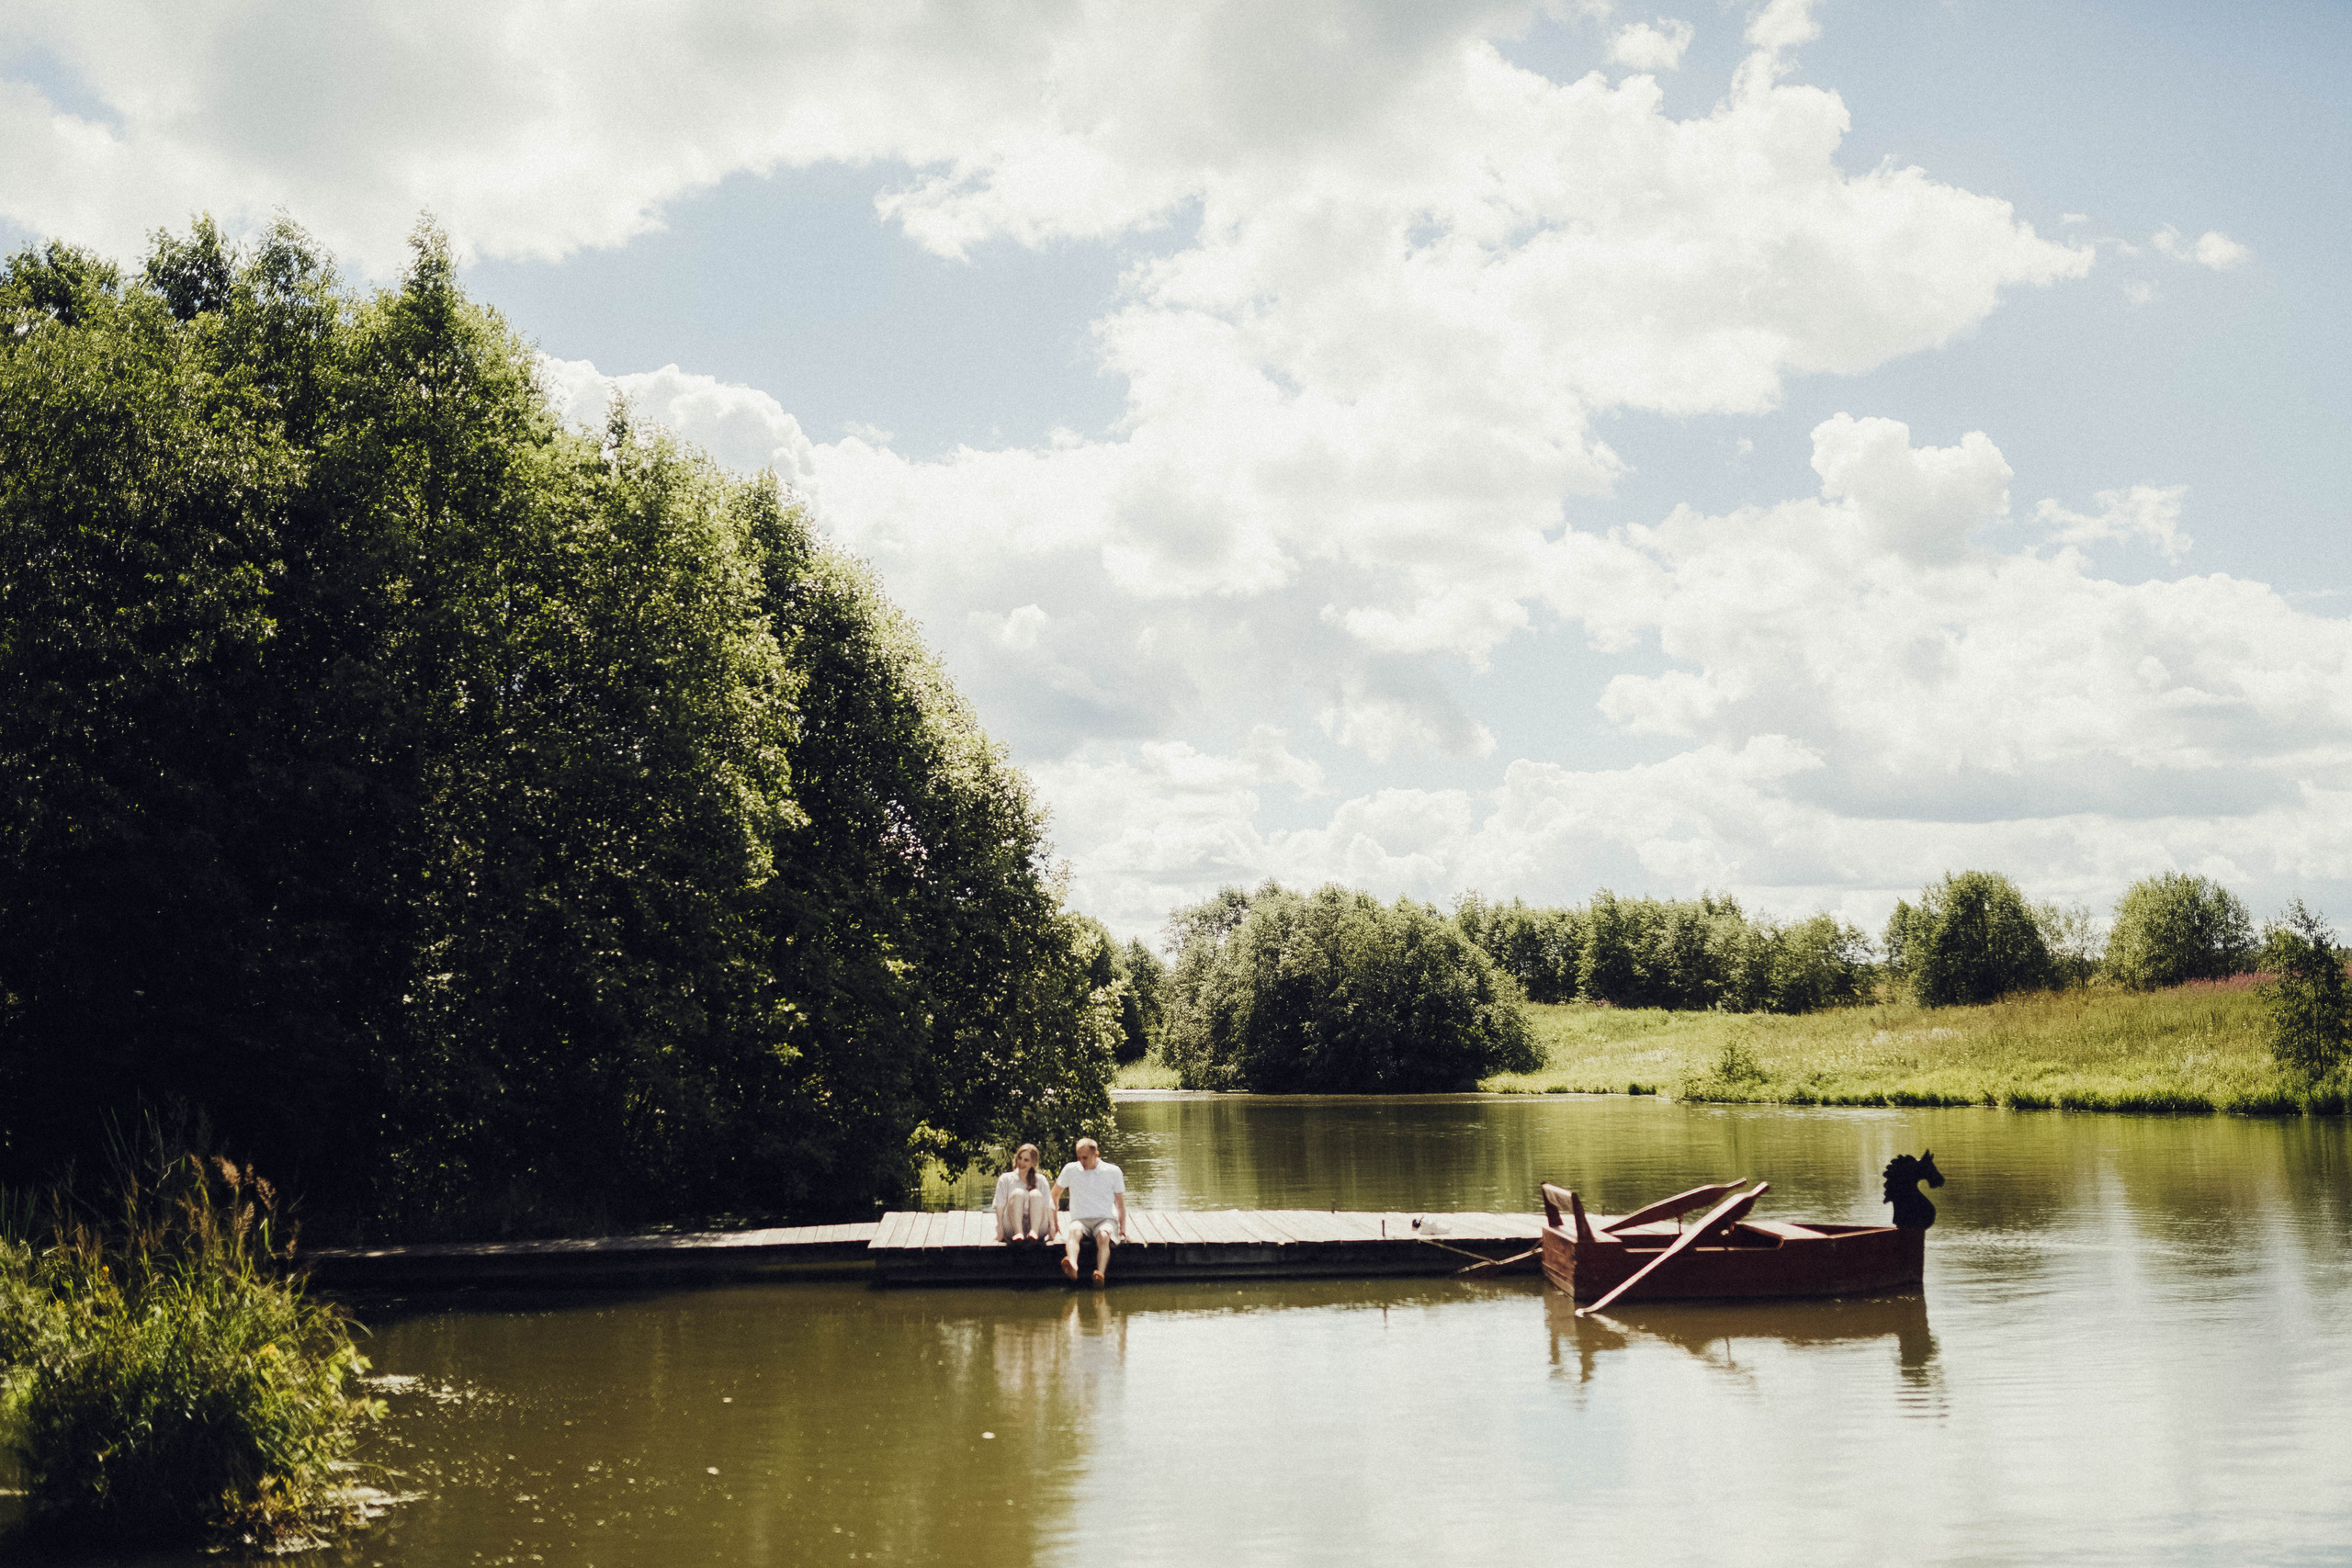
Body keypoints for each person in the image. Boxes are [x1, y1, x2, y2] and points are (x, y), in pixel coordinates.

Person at [1054, 1136, 1130, 1286]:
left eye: (1085, 1158)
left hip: (1105, 1218)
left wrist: (1122, 1229)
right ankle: (1073, 1266)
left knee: (1103, 1235)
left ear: (1096, 1155)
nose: (1081, 1161)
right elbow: (1055, 1194)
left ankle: (1100, 1274)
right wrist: (1054, 1224)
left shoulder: (1112, 1171)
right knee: (1074, 1232)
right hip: (1080, 1219)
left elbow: (1120, 1203)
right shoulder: (1071, 1169)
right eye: (1079, 1157)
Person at [993, 1144, 1057, 1243]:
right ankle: (1019, 1233)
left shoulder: (1041, 1180)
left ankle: (1033, 1233)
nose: (1021, 1162)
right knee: (1018, 1193)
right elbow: (999, 1206)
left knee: (1035, 1194)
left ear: (1033, 1163)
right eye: (1020, 1158)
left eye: (1026, 1160)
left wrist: (1052, 1228)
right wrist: (1000, 1229)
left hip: (1038, 1226)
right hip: (1012, 1227)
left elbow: (1049, 1206)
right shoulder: (1005, 1179)